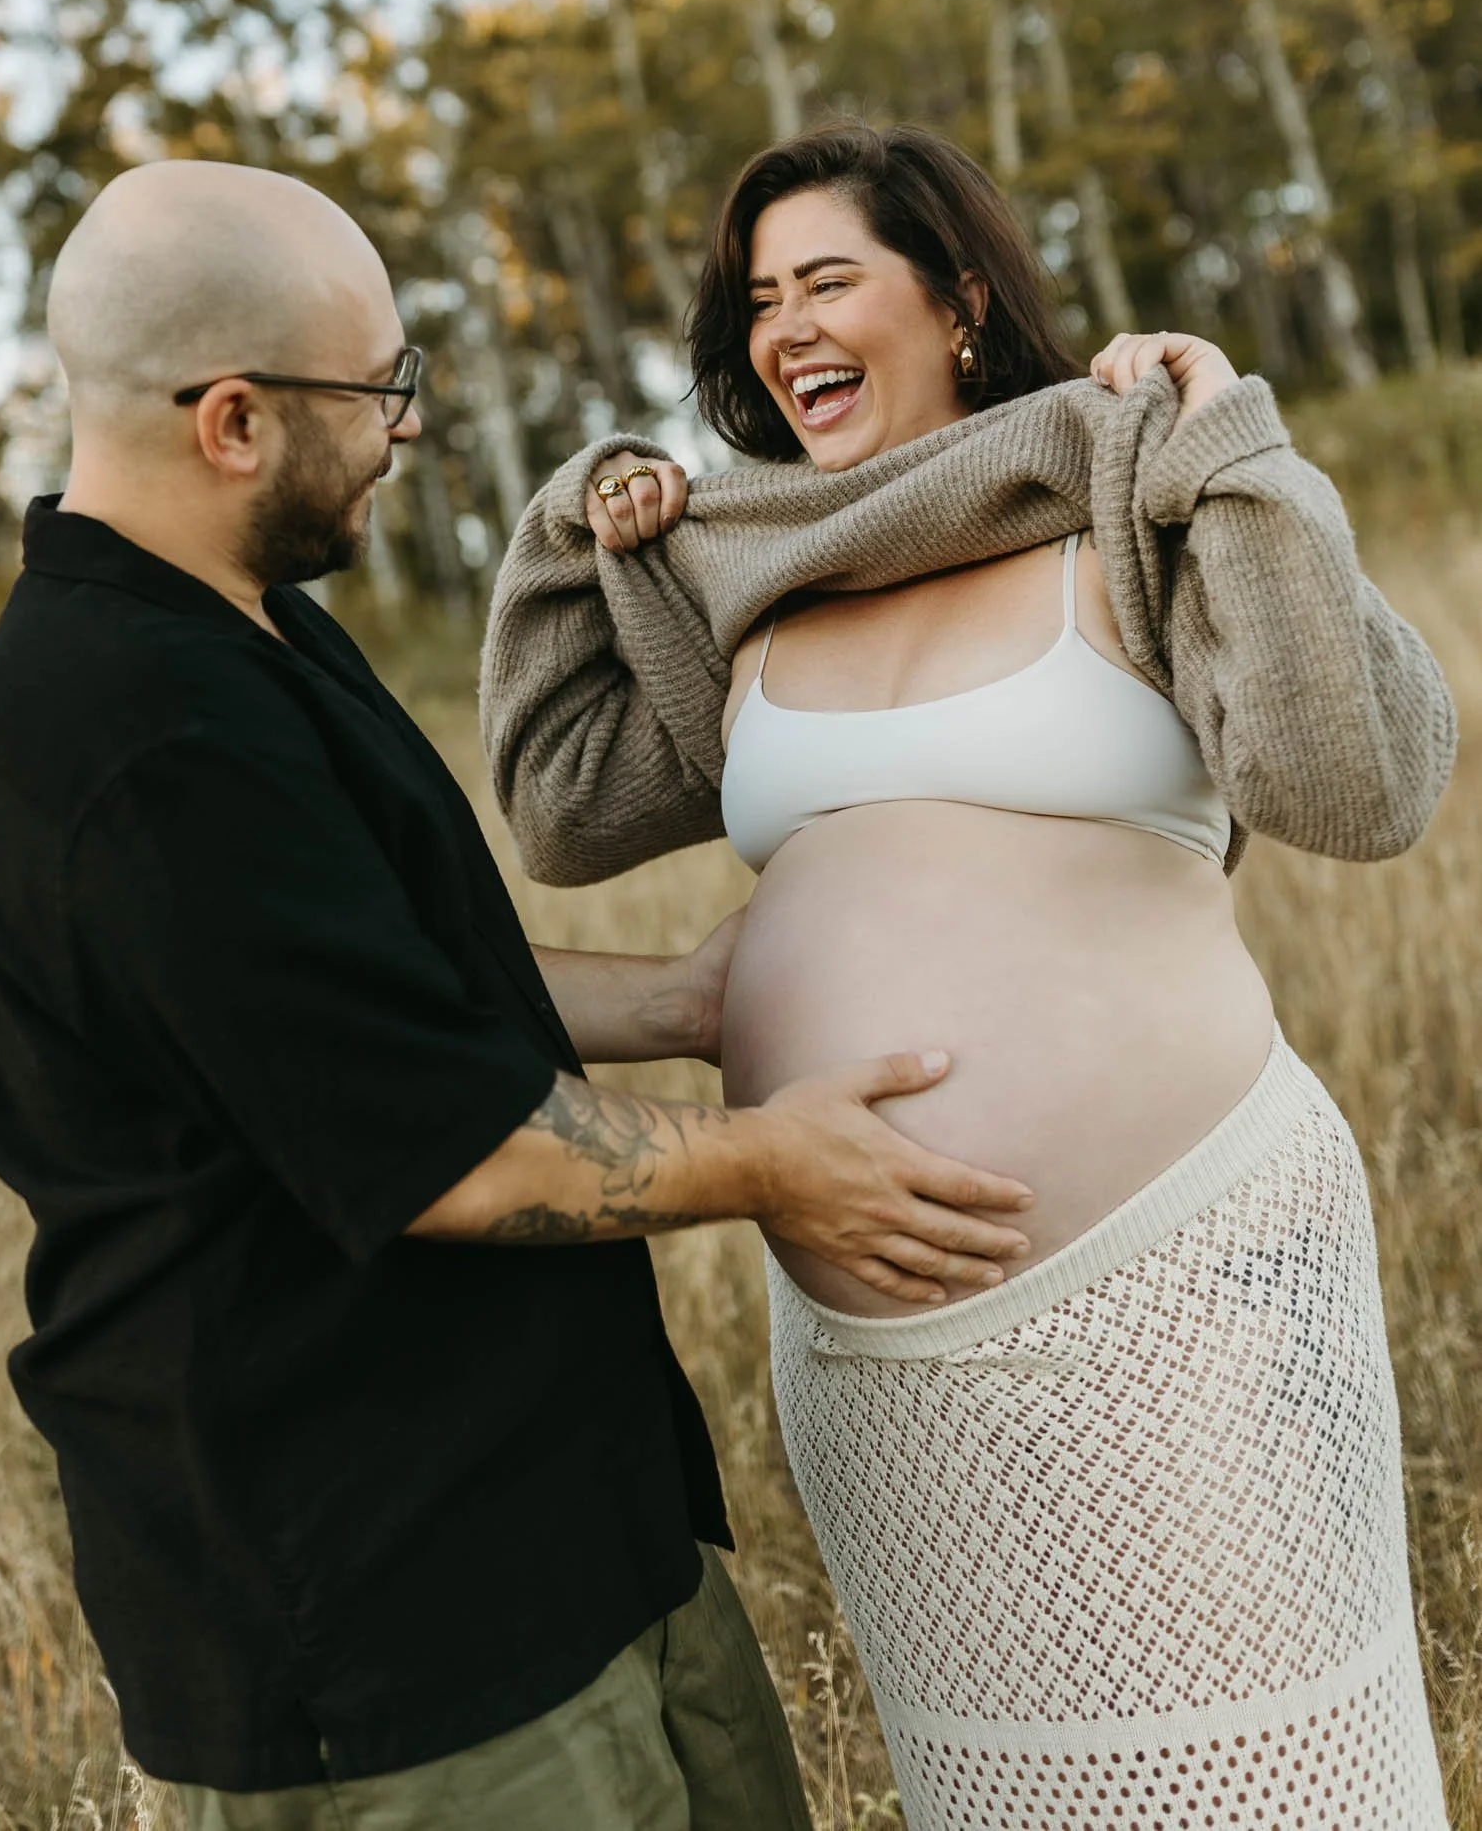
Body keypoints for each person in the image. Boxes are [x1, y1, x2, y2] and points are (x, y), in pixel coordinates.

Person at [0, 157, 1038, 1831]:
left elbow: (374, 988)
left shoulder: (247, 628)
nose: (403, 424)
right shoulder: (138, 732)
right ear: (233, 420)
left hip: (570, 1536)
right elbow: (454, 1153)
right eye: (379, 387)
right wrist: (770, 1157)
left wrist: (675, 993)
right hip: (409, 1634)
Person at [481, 121, 1457, 1829]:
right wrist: (583, 523)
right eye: (757, 295)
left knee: (1270, 1773)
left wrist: (1230, 439)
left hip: (1187, 1282)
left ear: (959, 295)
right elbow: (561, 803)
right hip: (884, 1349)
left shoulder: (1122, 487)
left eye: (828, 278)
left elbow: (1353, 783)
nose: (783, 323)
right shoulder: (748, 572)